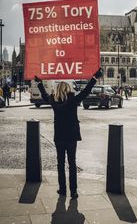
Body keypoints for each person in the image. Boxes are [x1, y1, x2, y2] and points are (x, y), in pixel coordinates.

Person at [35, 68, 102, 199]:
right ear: (67, 89)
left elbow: (44, 95)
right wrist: (94, 78)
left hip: (59, 136)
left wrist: (39, 83)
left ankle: (62, 189)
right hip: (72, 136)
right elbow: (86, 91)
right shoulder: (73, 100)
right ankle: (74, 191)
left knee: (60, 163)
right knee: (72, 163)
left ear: (58, 90)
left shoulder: (53, 101)